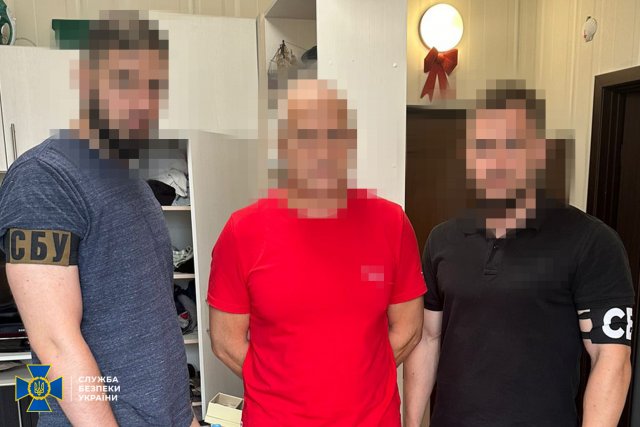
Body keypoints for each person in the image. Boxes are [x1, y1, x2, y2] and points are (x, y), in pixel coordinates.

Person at [0, 11, 198, 426]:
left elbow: (155, 316)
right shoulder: (44, 178)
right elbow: (55, 343)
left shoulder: (131, 180)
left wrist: (185, 416)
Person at [404, 80, 635, 427]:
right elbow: (427, 338)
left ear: (539, 152)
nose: (497, 161)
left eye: (512, 145)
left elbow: (610, 358)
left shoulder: (592, 241)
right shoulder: (442, 239)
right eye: (484, 147)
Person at [207, 78, 426, 426]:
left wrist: (357, 383)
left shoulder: (392, 224)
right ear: (283, 145)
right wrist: (283, 389)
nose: (322, 151)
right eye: (306, 136)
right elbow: (225, 340)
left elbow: (410, 329)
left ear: (350, 142)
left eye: (333, 135)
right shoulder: (243, 231)